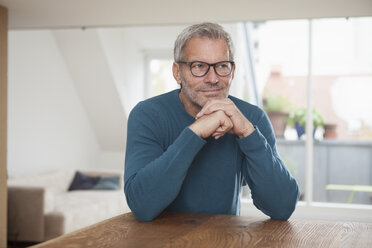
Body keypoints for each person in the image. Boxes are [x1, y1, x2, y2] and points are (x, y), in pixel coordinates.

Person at [124, 22, 299, 222]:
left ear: (232, 71)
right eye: (198, 66)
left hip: (225, 240)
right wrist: (194, 133)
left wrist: (247, 133)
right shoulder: (148, 115)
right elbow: (142, 206)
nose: (213, 78)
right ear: (177, 72)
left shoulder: (252, 119)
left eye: (222, 66)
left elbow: (282, 207)